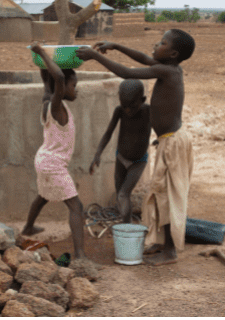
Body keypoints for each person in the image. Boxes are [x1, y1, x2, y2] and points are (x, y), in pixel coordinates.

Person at [76, 29, 195, 265]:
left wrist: (95, 55)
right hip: (168, 141)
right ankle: (162, 243)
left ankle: (170, 252)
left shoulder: (167, 71)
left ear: (172, 53)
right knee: (160, 194)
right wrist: (117, 45)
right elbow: (142, 58)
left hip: (172, 142)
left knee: (167, 196)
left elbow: (127, 72)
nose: (156, 44)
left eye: (162, 42)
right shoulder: (170, 68)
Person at [22, 42, 90, 264]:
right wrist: (41, 52)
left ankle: (29, 227)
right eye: (74, 85)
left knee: (43, 196)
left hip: (44, 160)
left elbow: (49, 81)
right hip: (52, 164)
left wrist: (42, 62)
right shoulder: (56, 106)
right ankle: (80, 256)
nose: (75, 89)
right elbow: (58, 79)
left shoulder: (47, 102)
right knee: (76, 207)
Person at [89, 79, 151, 223]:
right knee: (120, 195)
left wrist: (160, 139)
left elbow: (161, 126)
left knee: (124, 194)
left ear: (142, 100)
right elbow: (108, 133)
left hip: (138, 162)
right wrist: (97, 154)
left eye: (132, 106)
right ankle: (123, 222)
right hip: (121, 158)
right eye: (125, 106)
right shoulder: (120, 111)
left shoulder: (148, 111)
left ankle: (126, 228)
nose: (128, 110)